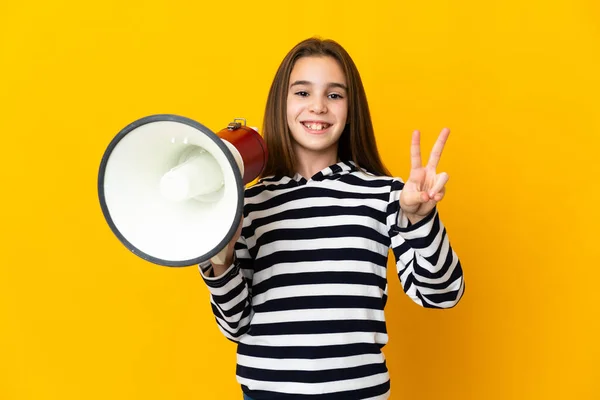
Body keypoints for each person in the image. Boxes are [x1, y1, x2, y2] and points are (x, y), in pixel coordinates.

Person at [199, 37, 465, 400]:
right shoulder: (249, 203)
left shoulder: (389, 195)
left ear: (351, 108)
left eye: (335, 95)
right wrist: (221, 259)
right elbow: (234, 325)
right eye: (303, 93)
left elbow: (442, 294)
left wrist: (420, 220)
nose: (319, 107)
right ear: (282, 103)